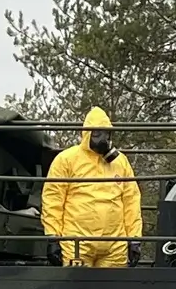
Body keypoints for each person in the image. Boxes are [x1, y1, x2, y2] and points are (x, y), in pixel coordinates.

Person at [42, 107, 142, 267]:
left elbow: (131, 202)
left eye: (105, 133)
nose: (102, 138)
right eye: (96, 133)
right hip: (76, 242)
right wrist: (53, 237)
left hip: (114, 245)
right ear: (87, 134)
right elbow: (53, 199)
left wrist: (134, 239)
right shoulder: (67, 159)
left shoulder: (120, 162)